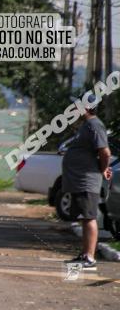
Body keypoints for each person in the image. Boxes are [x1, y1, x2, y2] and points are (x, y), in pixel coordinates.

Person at [62, 92, 112, 271]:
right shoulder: (86, 125)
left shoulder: (94, 125)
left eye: (77, 105)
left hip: (87, 181)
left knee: (89, 217)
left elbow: (105, 152)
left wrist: (103, 168)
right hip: (80, 181)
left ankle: (90, 258)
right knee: (85, 218)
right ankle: (85, 254)